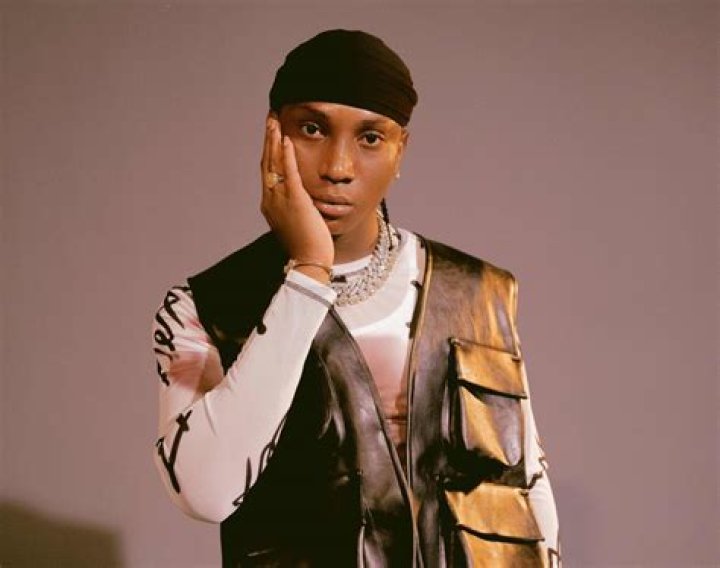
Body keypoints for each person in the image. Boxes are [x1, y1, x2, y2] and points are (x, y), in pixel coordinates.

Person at [152, 29, 560, 567]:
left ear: (400, 150)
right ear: (273, 133)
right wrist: (308, 275)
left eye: (370, 137)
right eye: (312, 129)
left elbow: (527, 491)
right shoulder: (206, 305)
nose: (338, 167)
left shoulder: (479, 292)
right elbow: (204, 493)